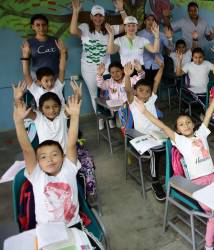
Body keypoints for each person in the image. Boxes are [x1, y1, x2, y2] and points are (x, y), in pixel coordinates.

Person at [133, 82, 214, 250]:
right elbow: (161, 125)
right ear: (178, 130)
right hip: (198, 183)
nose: (186, 125)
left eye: (188, 122)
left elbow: (209, 113)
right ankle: (209, 246)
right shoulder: (179, 140)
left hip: (213, 177)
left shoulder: (201, 134)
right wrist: (145, 112)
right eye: (181, 124)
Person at [12, 94, 103, 249]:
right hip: (46, 233)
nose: (50, 159)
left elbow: (71, 143)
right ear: (38, 162)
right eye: (43, 156)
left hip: (74, 227)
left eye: (55, 154)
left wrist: (74, 116)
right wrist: (18, 121)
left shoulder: (68, 169)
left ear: (63, 157)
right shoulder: (37, 175)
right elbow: (27, 149)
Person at [70, 0, 125, 113]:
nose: (98, 18)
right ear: (91, 16)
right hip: (88, 69)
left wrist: (122, 10)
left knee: (110, 92)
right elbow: (73, 30)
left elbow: (126, 26)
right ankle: (100, 117)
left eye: (101, 16)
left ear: (104, 17)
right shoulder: (85, 28)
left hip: (105, 68)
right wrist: (75, 12)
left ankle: (112, 117)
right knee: (94, 94)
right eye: (96, 16)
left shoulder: (109, 28)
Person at [125, 60, 166, 200]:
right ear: (136, 92)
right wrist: (127, 76)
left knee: (174, 144)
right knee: (155, 152)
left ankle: (173, 173)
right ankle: (155, 182)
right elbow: (127, 90)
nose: (144, 93)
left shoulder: (151, 100)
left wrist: (161, 67)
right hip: (142, 137)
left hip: (158, 135)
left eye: (147, 91)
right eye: (141, 90)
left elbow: (156, 82)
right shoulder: (133, 102)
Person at [97, 60, 145, 129]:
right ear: (110, 74)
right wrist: (100, 75)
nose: (115, 74)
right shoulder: (109, 82)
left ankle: (133, 128)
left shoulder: (129, 79)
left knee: (137, 119)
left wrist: (140, 70)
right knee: (121, 125)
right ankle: (127, 130)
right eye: (112, 72)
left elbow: (141, 80)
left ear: (122, 70)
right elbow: (100, 85)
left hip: (131, 107)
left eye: (117, 71)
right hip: (116, 110)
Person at [22, 39, 67, 107]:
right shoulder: (36, 90)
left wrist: (63, 53)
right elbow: (26, 74)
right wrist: (25, 55)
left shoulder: (58, 86)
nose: (50, 83)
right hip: (43, 118)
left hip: (62, 117)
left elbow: (62, 70)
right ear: (39, 82)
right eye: (46, 81)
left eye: (52, 80)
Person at [138, 13, 174, 80]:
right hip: (143, 65)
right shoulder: (139, 34)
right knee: (144, 87)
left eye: (153, 20)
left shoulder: (161, 34)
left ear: (155, 22)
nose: (150, 22)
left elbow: (171, 48)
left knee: (155, 88)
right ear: (144, 21)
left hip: (158, 65)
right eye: (148, 19)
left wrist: (170, 38)